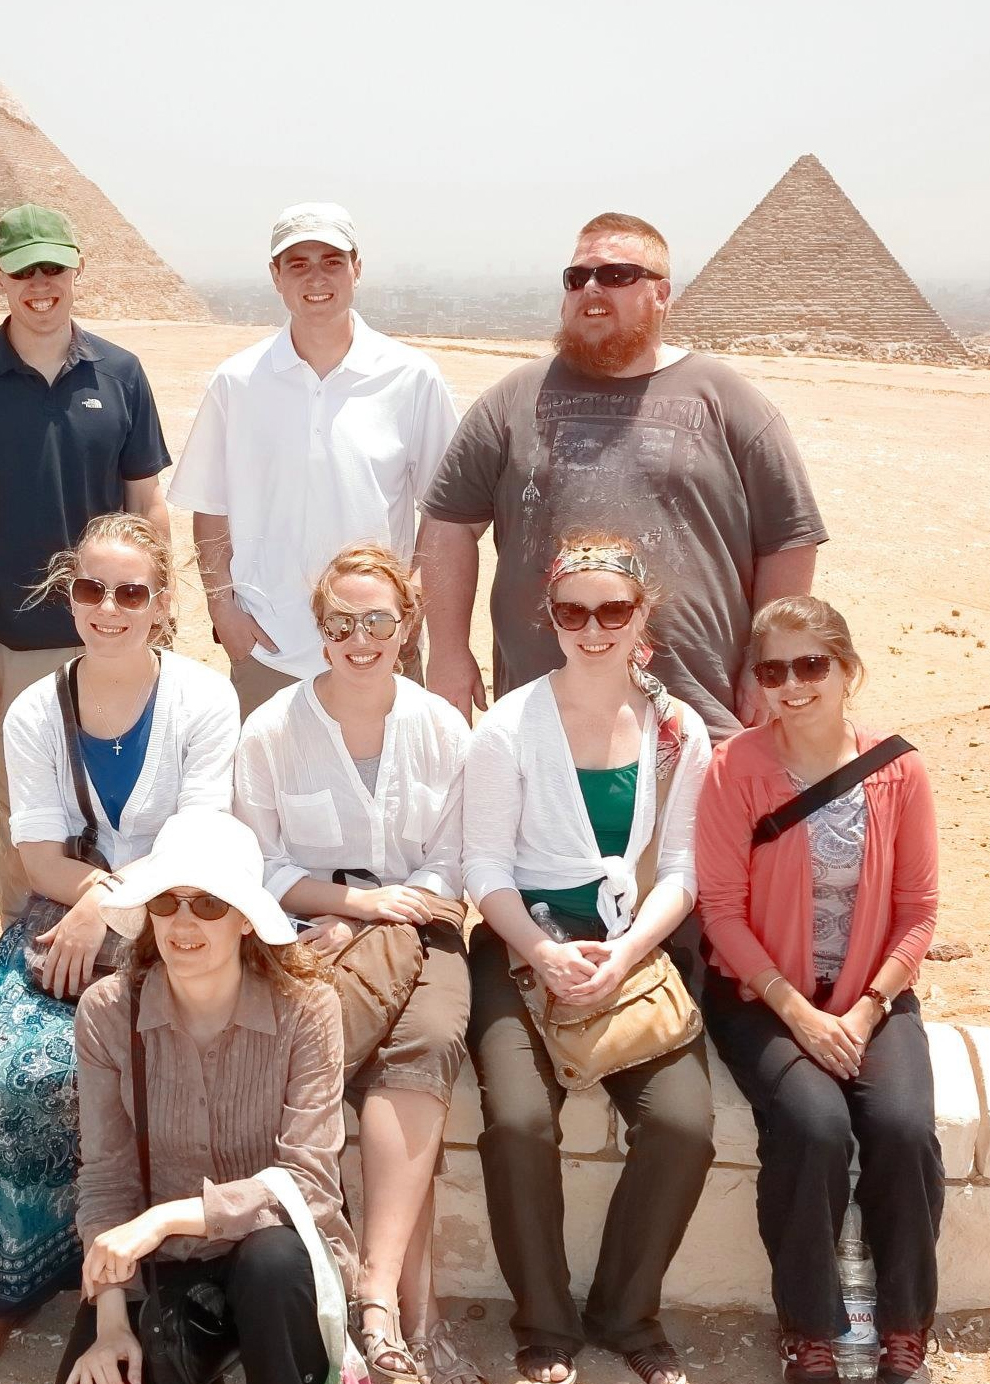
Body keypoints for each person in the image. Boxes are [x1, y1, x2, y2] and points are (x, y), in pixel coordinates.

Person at [0, 514, 238, 1375]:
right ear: (71, 597)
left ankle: (158, 1276)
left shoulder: (205, 700)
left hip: (179, 920)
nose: (109, 607)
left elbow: (198, 843)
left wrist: (115, 905)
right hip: (63, 914)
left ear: (161, 604)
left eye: (131, 591)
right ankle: (13, 1277)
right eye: (92, 589)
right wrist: (97, 896)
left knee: (161, 1066)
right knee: (14, 1065)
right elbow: (35, 857)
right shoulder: (38, 707)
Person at [419, 211, 827, 743]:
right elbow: (447, 525)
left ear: (662, 295)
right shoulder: (513, 400)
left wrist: (763, 659)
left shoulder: (727, 400)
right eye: (577, 276)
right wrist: (449, 652)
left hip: (697, 715)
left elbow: (789, 540)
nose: (591, 287)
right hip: (541, 717)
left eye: (616, 275)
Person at [462, 531, 715, 1384]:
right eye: (574, 611)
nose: (594, 628)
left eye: (614, 609)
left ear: (643, 613)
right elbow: (485, 870)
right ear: (551, 617)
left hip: (632, 949)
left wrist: (626, 952)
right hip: (518, 946)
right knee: (521, 1122)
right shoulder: (507, 727)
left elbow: (681, 871)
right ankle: (544, 1324)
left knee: (682, 1125)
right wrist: (540, 947)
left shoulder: (678, 731)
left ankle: (625, 1313)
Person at [232, 541, 481, 1383]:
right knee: (323, 1056)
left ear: (408, 624)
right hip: (312, 931)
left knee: (427, 1046)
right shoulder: (271, 731)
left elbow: (455, 857)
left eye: (379, 619)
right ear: (321, 629)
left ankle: (377, 1291)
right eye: (343, 621)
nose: (361, 638)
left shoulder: (442, 727)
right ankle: (399, 1308)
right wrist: (346, 906)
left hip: (425, 927)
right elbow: (258, 863)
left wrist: (386, 914)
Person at [696, 596, 941, 1384]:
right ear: (756, 683)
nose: (793, 685)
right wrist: (797, 1012)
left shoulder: (899, 769)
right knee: (813, 1126)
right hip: (764, 998)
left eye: (812, 665)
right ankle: (810, 1328)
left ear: (847, 669)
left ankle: (904, 1324)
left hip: (873, 996)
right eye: (774, 671)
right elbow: (723, 914)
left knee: (903, 1130)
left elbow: (919, 912)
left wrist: (868, 1010)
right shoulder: (734, 769)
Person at [0, 204, 173, 917]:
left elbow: (147, 505)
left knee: (122, 807)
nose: (40, 285)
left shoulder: (121, 374)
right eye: (23, 270)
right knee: (26, 819)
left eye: (53, 268)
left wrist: (159, 609)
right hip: (11, 644)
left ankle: (125, 963)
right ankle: (21, 976)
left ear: (76, 271)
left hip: (116, 629)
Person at [60, 808, 352, 1384]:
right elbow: (106, 1176)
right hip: (167, 1268)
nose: (182, 923)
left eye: (210, 904)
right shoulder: (107, 1011)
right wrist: (112, 1321)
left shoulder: (308, 1009)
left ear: (246, 918)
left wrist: (167, 1217)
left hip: (278, 1259)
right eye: (167, 901)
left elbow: (310, 1187)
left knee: (272, 1263)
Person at [173, 202, 460, 718]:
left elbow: (443, 509)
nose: (316, 278)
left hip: (378, 641)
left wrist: (413, 600)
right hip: (270, 647)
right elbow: (211, 507)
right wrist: (223, 609)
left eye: (331, 260)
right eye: (298, 264)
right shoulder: (237, 383)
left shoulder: (412, 378)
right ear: (275, 276)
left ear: (357, 268)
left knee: (388, 793)